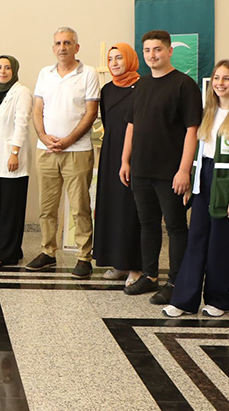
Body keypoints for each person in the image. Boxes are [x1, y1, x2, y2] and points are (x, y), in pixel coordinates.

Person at [163, 60, 229, 317]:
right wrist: (192, 185)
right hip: (204, 178)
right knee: (196, 240)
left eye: (226, 78)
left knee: (221, 244)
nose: (220, 83)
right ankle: (184, 300)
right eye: (217, 78)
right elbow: (199, 152)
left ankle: (218, 300)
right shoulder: (207, 112)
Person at [120, 30, 202, 304]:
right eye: (147, 50)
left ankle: (176, 282)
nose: (152, 55)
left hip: (170, 172)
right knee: (148, 225)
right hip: (141, 169)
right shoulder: (141, 85)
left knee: (176, 227)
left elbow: (192, 130)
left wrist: (184, 170)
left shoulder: (184, 85)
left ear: (169, 51)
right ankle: (150, 276)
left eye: (157, 49)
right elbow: (131, 125)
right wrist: (125, 160)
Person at [28, 27, 100, 279]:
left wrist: (69, 140)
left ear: (76, 47)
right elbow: (37, 109)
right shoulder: (44, 74)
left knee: (80, 207)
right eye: (58, 43)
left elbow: (91, 112)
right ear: (53, 48)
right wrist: (43, 136)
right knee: (47, 207)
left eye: (67, 43)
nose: (62, 47)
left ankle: (84, 257)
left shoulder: (88, 73)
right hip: (46, 150)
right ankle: (48, 252)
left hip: (77, 151)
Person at [93, 44, 143, 285]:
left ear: (130, 59)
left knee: (131, 209)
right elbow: (107, 120)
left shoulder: (142, 87)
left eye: (119, 58)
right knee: (113, 207)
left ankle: (136, 266)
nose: (114, 63)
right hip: (111, 152)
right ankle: (118, 262)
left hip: (135, 154)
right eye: (110, 59)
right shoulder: (107, 90)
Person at [0, 55, 33, 268]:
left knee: (11, 208)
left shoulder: (22, 92)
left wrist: (15, 152)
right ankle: (11, 248)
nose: (2, 71)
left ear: (14, 70)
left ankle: (5, 255)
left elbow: (22, 124)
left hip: (13, 156)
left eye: (7, 68)